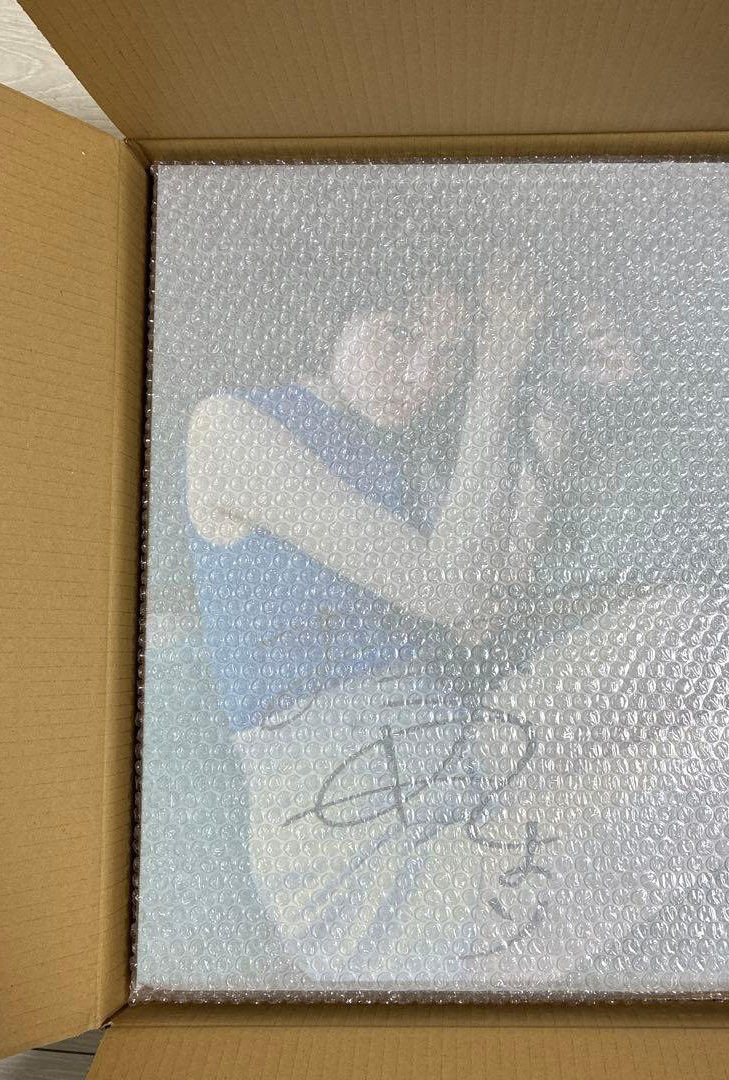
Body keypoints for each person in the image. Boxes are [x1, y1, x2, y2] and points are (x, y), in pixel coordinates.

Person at [185, 272, 551, 987]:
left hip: (455, 773)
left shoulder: (396, 465)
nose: (421, 376)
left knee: (677, 629)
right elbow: (450, 591)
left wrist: (548, 420)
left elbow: (487, 606)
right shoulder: (229, 426)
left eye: (449, 357)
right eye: (400, 333)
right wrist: (496, 371)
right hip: (356, 856)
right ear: (337, 311)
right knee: (710, 775)